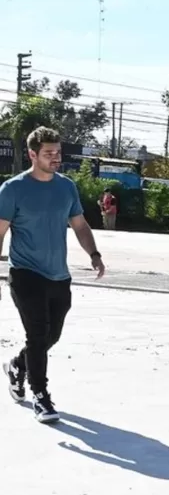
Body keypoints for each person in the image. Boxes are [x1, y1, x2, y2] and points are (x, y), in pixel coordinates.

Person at [0, 126, 106, 423]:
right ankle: (40, 396)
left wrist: (94, 254)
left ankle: (18, 365)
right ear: (32, 155)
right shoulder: (13, 189)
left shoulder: (66, 187)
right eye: (49, 153)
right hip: (25, 273)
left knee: (51, 336)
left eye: (58, 152)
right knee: (37, 334)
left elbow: (80, 225)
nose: (56, 158)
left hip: (59, 275)